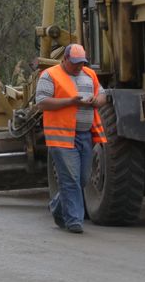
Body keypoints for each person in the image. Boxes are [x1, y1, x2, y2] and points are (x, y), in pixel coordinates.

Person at [35, 43, 107, 233]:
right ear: (65, 59)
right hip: (61, 136)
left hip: (85, 136)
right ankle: (74, 221)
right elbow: (41, 102)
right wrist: (70, 102)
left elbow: (102, 95)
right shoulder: (50, 75)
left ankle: (57, 207)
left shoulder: (89, 74)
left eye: (81, 63)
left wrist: (95, 102)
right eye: (74, 63)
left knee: (82, 179)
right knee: (70, 179)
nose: (78, 66)